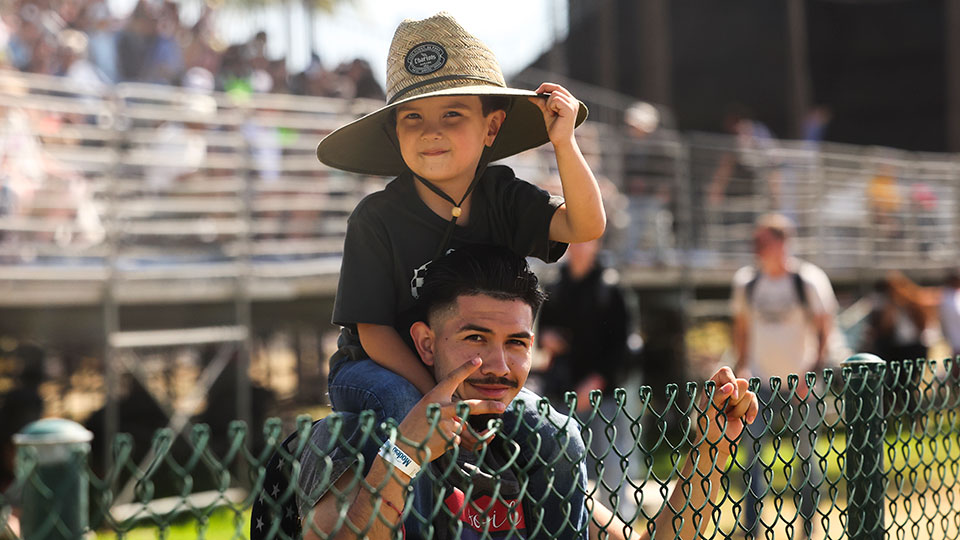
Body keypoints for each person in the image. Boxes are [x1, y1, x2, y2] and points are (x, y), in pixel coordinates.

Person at [316, 11, 603, 518]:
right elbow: (374, 331)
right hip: (377, 367)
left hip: (474, 367)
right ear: (395, 134)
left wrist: (564, 142)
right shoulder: (375, 218)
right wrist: (437, 395)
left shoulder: (504, 197)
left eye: (453, 115)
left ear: (492, 127)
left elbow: (584, 225)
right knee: (415, 423)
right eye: (413, 118)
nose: (432, 132)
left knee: (557, 433)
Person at [290, 245, 757, 540]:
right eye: (474, 339)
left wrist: (709, 450)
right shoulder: (355, 437)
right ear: (425, 343)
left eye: (517, 344)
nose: (498, 366)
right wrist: (405, 454)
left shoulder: (530, 444)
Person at [730, 213, 837, 538]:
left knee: (807, 456)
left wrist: (812, 371)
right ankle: (752, 526)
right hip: (760, 383)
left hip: (801, 384)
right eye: (755, 242)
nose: (757, 248)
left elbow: (824, 330)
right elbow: (742, 330)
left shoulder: (808, 281)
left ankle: (807, 527)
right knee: (752, 455)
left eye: (763, 242)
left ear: (782, 243)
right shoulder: (747, 283)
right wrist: (741, 368)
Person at [534, 238, 636, 516]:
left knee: (612, 463)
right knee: (561, 460)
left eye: (585, 242)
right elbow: (540, 335)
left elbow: (622, 347)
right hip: (561, 393)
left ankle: (618, 523)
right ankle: (565, 518)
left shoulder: (610, 288)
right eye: (574, 242)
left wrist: (597, 381)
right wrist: (547, 339)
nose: (578, 247)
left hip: (602, 393)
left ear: (596, 246)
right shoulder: (555, 286)